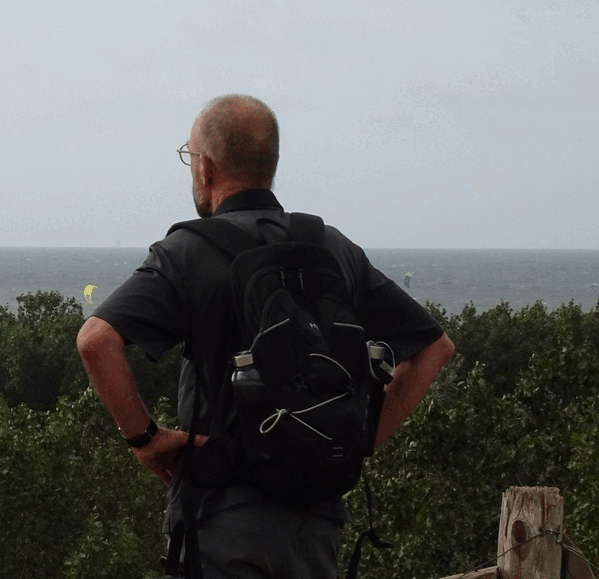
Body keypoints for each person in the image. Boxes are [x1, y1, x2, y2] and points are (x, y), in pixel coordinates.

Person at [76, 94, 455, 578]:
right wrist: (356, 442)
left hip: (223, 526)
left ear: (205, 169)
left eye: (190, 157)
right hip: (316, 530)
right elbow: (433, 348)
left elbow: (96, 340)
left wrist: (145, 439)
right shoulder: (333, 250)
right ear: (269, 165)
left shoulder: (187, 252)